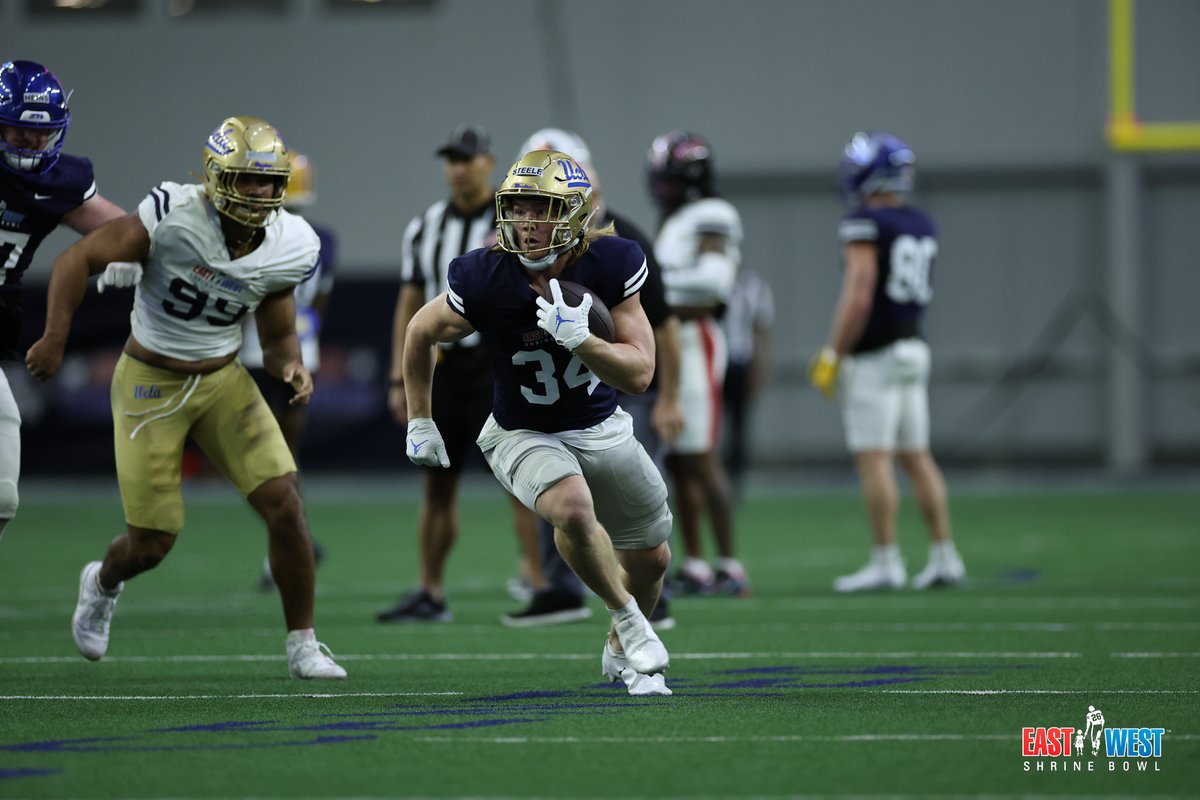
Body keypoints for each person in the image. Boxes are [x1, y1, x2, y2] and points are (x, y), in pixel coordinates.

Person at [25, 115, 346, 680]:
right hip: (151, 381)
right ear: (217, 177)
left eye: (271, 182)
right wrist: (55, 337)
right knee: (152, 543)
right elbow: (76, 259)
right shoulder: (174, 213)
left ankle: (303, 644)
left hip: (223, 381)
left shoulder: (293, 243)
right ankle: (102, 582)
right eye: (249, 180)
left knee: (286, 506)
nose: (263, 193)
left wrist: (290, 367)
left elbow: (276, 336)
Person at [403, 149, 673, 696]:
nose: (527, 222)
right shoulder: (485, 275)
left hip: (600, 424)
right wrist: (419, 418)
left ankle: (621, 652)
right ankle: (627, 618)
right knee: (572, 509)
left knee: (651, 556)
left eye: (542, 208)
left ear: (575, 213)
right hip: (520, 430)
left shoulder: (612, 262)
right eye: (518, 207)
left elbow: (642, 374)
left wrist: (584, 340)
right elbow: (419, 331)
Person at [499, 128, 683, 629]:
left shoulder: (622, 246)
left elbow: (663, 324)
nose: (533, 214)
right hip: (544, 396)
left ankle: (645, 595)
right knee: (563, 498)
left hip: (615, 391)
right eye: (527, 201)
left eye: (548, 200)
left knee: (631, 503)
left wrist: (672, 394)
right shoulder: (508, 251)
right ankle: (561, 586)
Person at [378, 125, 542, 623]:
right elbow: (409, 301)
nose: (457, 168)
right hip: (445, 368)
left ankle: (539, 581)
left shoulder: (518, 216)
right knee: (437, 483)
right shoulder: (425, 226)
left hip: (501, 362)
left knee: (525, 477)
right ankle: (431, 590)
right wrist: (396, 378)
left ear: (488, 162)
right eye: (450, 159)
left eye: (466, 159)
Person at [809, 131, 965, 592]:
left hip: (875, 355)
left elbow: (859, 295)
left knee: (874, 458)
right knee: (916, 456)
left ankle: (886, 560)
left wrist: (833, 353)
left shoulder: (864, 222)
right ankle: (944, 555)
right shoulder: (920, 222)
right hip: (914, 348)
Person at [0, 59, 128, 544]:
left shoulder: (60, 180)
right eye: (19, 133)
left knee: (3, 498)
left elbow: (125, 228)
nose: (33, 145)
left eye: (42, 135)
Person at [646, 130, 748, 596]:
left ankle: (729, 564)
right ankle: (697, 565)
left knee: (702, 460)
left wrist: (655, 290)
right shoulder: (679, 220)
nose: (662, 188)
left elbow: (712, 284)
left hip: (695, 341)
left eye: (670, 179)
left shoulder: (713, 214)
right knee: (680, 462)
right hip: (671, 340)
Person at [239, 152, 336, 591]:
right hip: (301, 355)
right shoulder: (322, 239)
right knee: (283, 461)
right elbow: (319, 305)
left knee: (257, 464)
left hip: (257, 355)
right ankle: (297, 539)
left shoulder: (250, 234)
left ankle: (285, 547)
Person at [721, 265, 774, 496]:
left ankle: (735, 481)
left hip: (742, 362)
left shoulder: (755, 287)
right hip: (717, 361)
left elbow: (761, 330)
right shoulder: (715, 284)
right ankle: (716, 479)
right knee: (712, 425)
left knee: (739, 425)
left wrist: (760, 367)